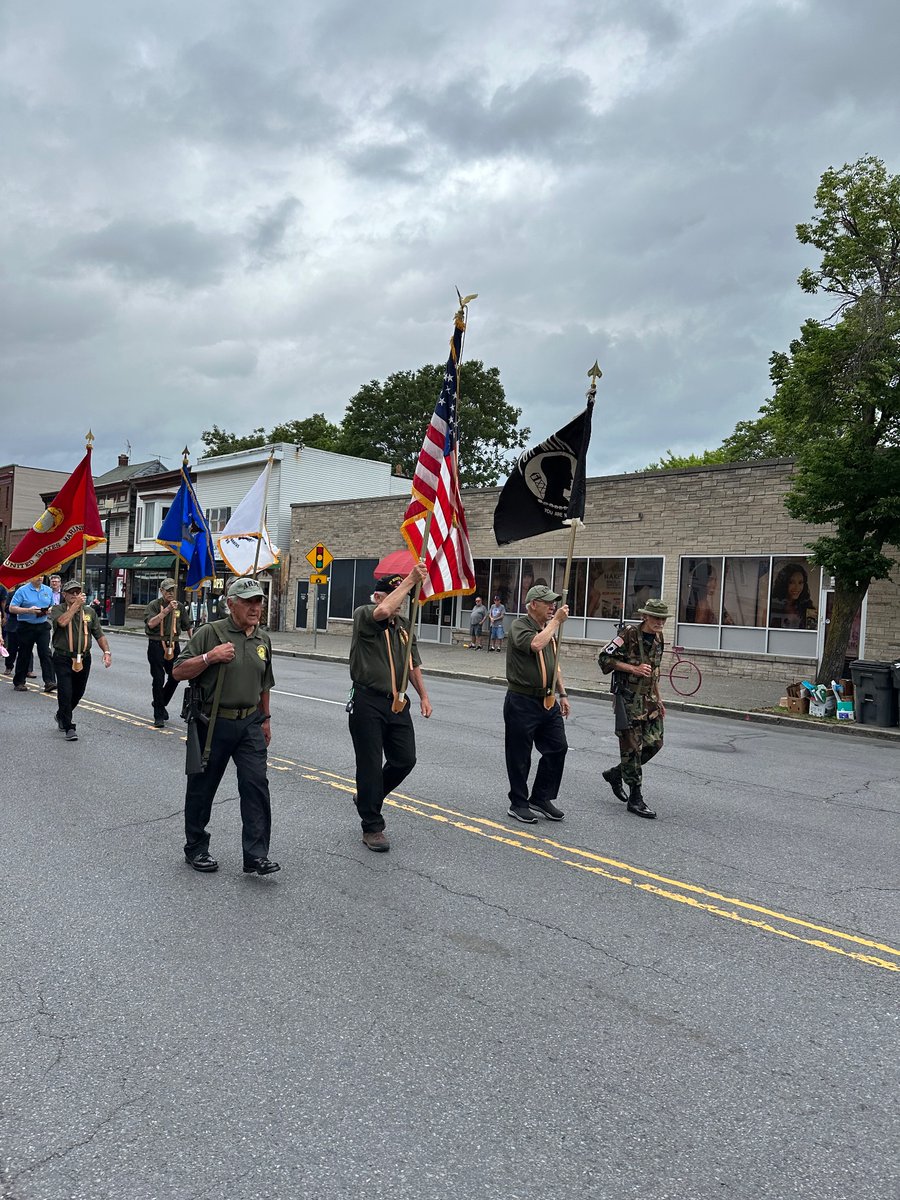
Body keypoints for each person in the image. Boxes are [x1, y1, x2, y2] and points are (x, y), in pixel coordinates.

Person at [172, 577, 278, 876]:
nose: (255, 608)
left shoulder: (262, 640)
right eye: (247, 602)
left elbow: (265, 683)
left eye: (258, 601)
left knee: (256, 786)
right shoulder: (211, 633)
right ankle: (196, 847)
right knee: (202, 789)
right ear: (230, 604)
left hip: (249, 724)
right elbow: (178, 671)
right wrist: (210, 657)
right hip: (213, 724)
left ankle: (256, 855)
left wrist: (266, 719)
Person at [347, 562, 432, 852]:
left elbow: (413, 663)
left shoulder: (404, 627)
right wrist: (410, 580)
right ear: (380, 596)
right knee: (370, 765)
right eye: (396, 596)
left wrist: (424, 696)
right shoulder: (366, 615)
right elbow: (383, 612)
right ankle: (372, 826)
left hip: (397, 703)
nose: (401, 604)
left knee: (405, 759)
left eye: (404, 598)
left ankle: (368, 796)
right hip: (368, 701)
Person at [503, 584, 571, 824]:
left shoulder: (547, 628)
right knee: (520, 755)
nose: (553, 606)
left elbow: (555, 665)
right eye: (548, 602)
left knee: (557, 747)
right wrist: (556, 623)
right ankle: (518, 803)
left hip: (548, 700)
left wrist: (563, 694)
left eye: (554, 602)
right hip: (522, 700)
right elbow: (535, 645)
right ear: (534, 604)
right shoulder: (520, 626)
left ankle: (541, 797)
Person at [598, 598, 669, 819]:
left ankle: (616, 773)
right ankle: (635, 798)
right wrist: (632, 668)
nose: (660, 622)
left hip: (649, 701)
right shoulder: (628, 634)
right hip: (628, 700)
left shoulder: (659, 638)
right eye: (656, 617)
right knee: (632, 749)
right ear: (644, 616)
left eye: (663, 618)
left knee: (655, 743)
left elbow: (654, 671)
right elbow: (604, 658)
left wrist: (659, 698)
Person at [50, 581, 112, 741]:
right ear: (64, 595)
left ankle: (62, 715)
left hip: (84, 657)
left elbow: (99, 633)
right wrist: (75, 606)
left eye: (78, 592)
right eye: (71, 592)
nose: (75, 595)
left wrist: (106, 651)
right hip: (63, 657)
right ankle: (69, 726)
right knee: (65, 691)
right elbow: (62, 622)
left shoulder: (89, 612)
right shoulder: (57, 609)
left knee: (78, 692)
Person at [144, 577, 193, 727]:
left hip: (173, 644)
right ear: (161, 591)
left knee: (175, 676)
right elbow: (151, 623)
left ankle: (161, 701)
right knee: (158, 679)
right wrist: (167, 610)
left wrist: (195, 643)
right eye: (168, 590)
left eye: (173, 590)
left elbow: (187, 626)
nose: (171, 593)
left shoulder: (180, 607)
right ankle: (158, 715)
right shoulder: (154, 605)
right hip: (156, 644)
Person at [10, 574, 56, 693]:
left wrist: (50, 610)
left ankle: (50, 682)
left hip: (42, 625)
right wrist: (29, 610)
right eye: (37, 576)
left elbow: (52, 606)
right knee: (24, 653)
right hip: (26, 625)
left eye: (42, 576)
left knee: (46, 653)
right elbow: (12, 608)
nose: (39, 578)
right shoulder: (22, 590)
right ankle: (19, 682)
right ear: (30, 577)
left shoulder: (48, 590)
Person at [770, 562, 814, 629]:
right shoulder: (772, 607)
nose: (797, 588)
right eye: (791, 582)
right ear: (784, 584)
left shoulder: (807, 607)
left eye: (800, 582)